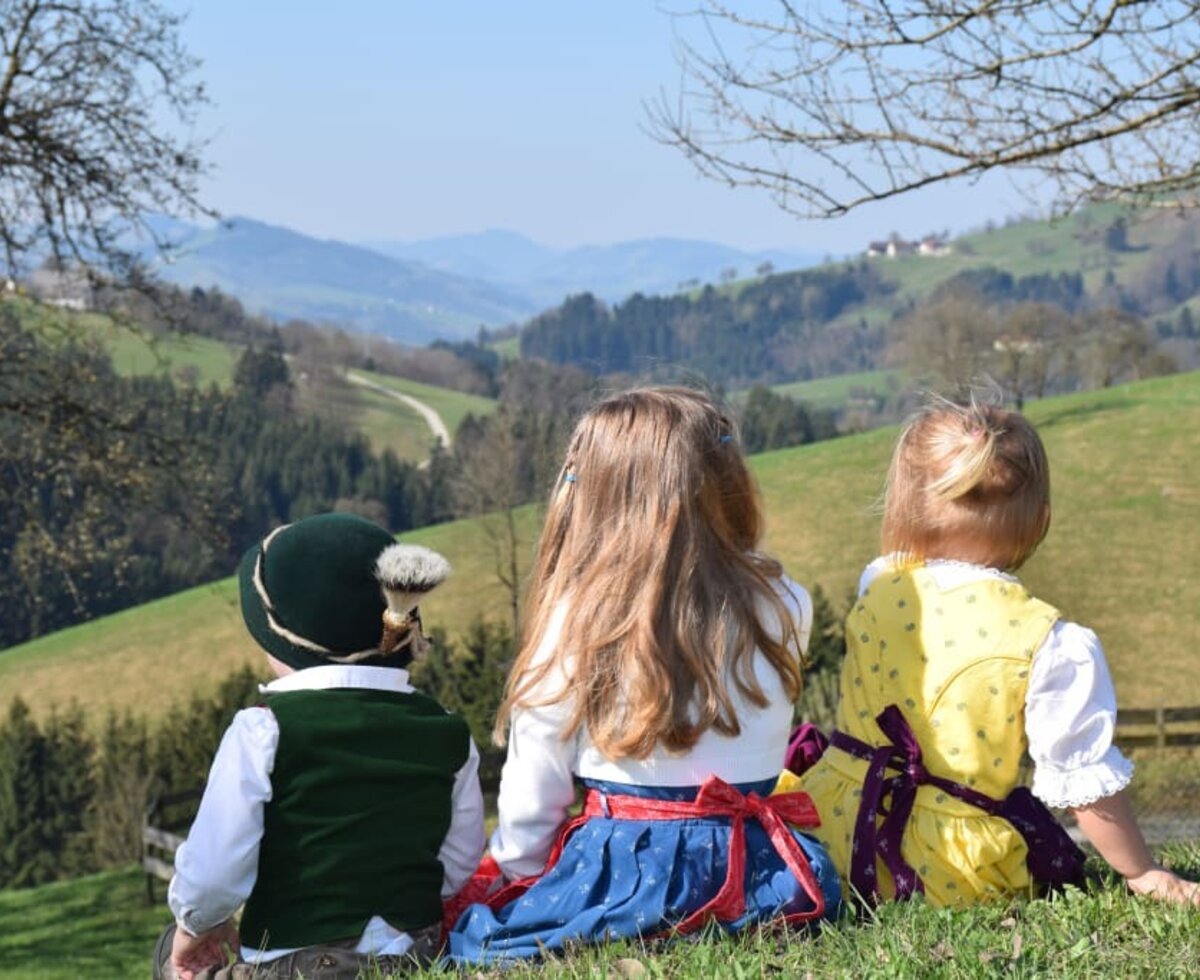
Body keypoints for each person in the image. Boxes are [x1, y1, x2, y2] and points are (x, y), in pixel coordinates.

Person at [446, 386, 842, 964]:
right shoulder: (786, 602)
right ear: (728, 483)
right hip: (764, 873)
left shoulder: (574, 618)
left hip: (627, 878)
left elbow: (536, 785)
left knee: (483, 939)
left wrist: (519, 874)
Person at [789, 395, 1200, 907]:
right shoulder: (1046, 641)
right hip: (949, 868)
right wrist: (1142, 872)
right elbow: (1085, 784)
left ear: (905, 505)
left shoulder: (881, 581)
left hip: (835, 835)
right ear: (1040, 517)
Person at [154, 513, 486, 980]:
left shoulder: (263, 732)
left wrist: (195, 924)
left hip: (293, 965)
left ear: (281, 640)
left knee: (169, 958)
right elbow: (459, 859)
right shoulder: (446, 729)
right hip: (419, 952)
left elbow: (212, 874)